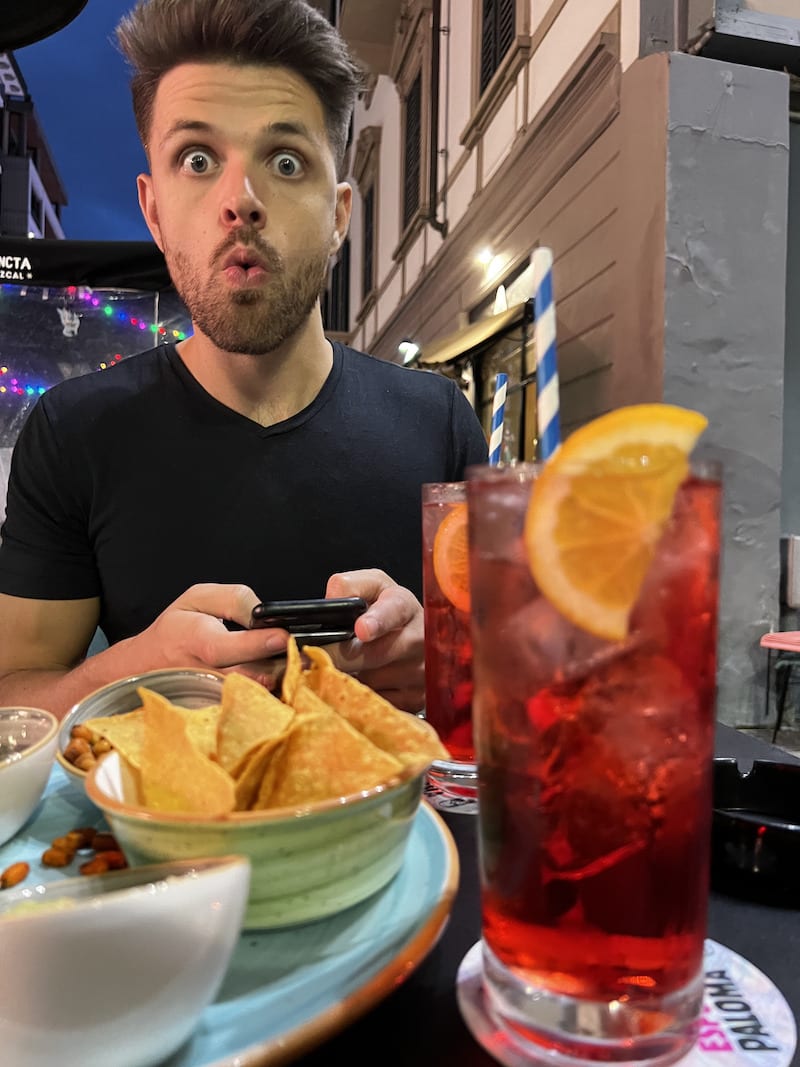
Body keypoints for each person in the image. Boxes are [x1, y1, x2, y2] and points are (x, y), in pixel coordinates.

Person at [0, 0, 487, 719]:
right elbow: (12, 704)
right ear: (154, 210)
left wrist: (447, 667)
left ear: (340, 216)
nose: (241, 200)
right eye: (197, 159)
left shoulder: (440, 422)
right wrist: (134, 673)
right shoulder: (73, 434)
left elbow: (517, 688)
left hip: (397, 831)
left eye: (285, 161)